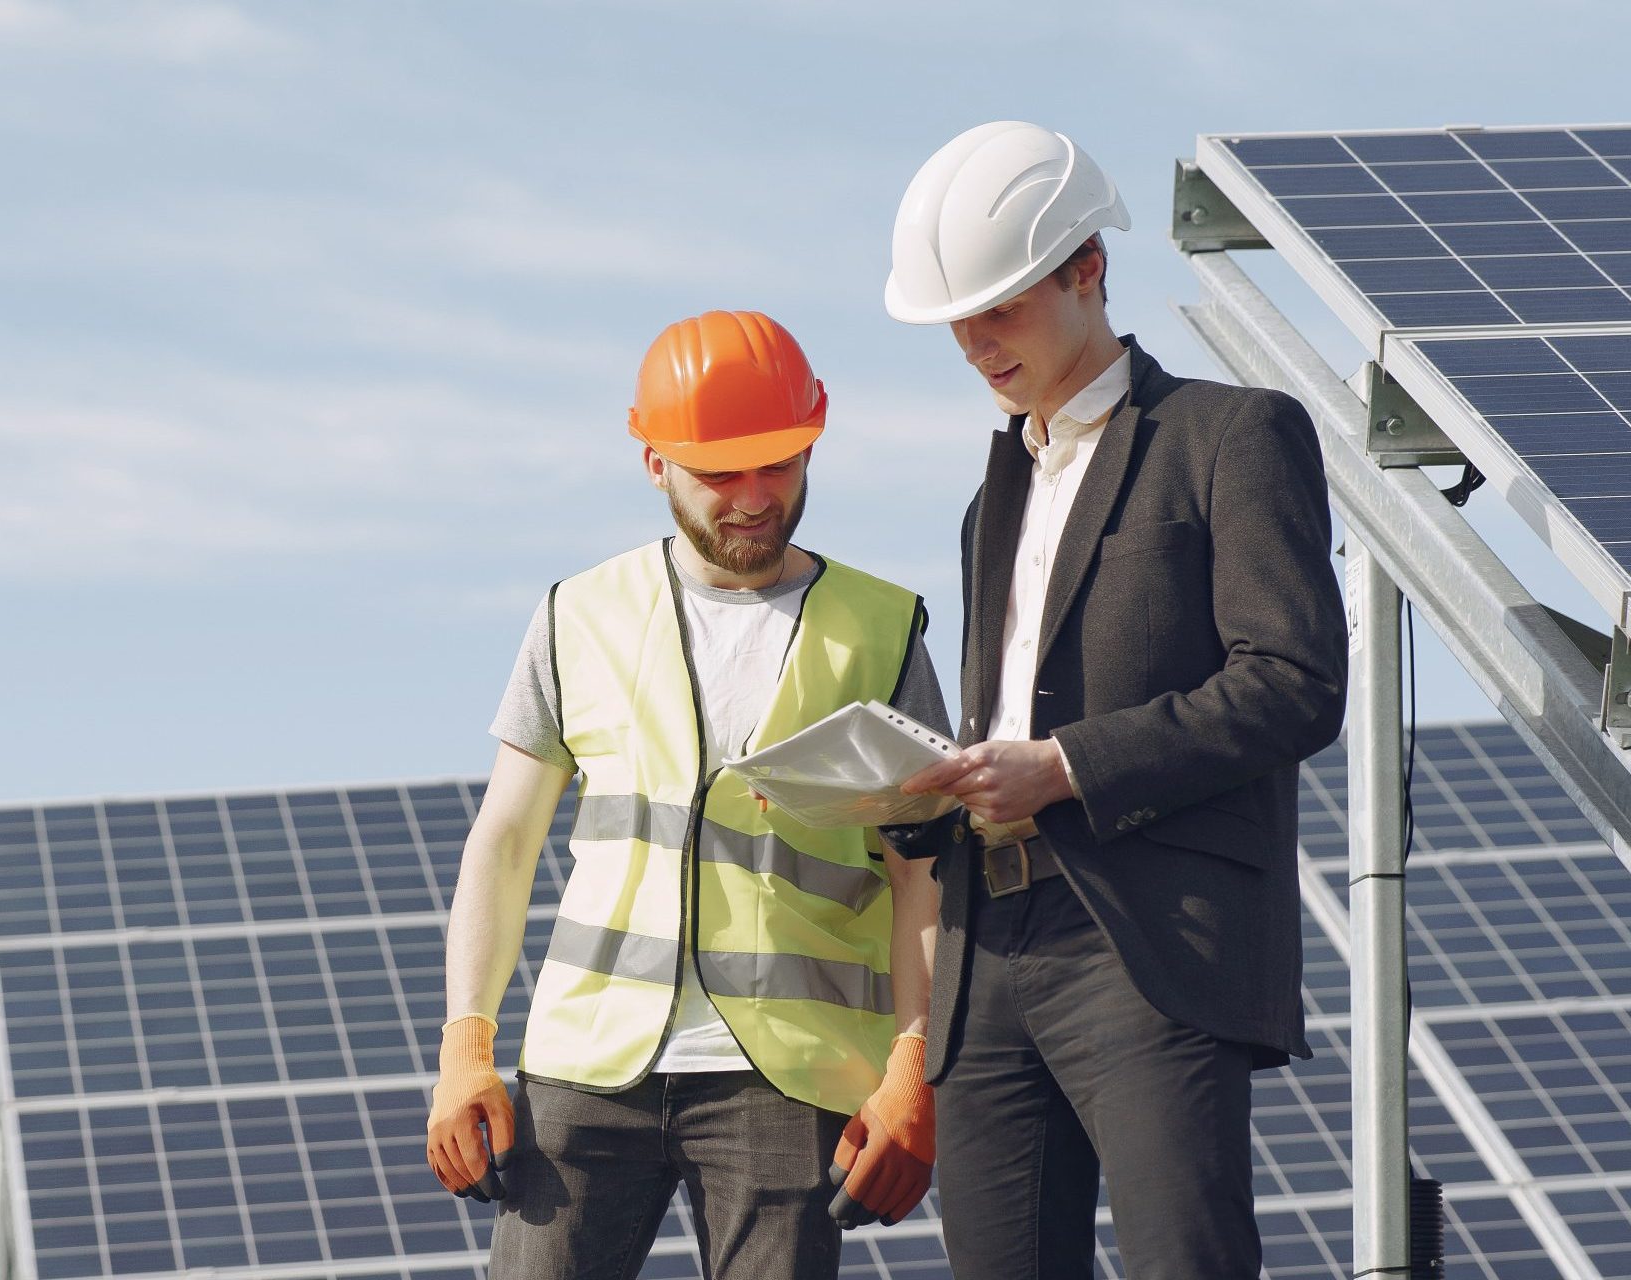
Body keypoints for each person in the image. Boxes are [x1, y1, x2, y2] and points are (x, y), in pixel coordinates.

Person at [880, 121, 1349, 1278]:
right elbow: (1007, 718)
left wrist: (1068, 764)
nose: (973, 342)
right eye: (954, 318)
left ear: (1086, 268)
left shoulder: (1232, 435)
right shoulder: (989, 500)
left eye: (997, 306)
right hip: (987, 950)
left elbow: (1294, 680)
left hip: (1142, 941)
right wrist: (919, 793)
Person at [422, 309, 947, 1280]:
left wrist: (914, 1061)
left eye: (778, 466)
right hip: (586, 1064)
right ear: (654, 460)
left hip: (791, 1073)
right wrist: (465, 1044)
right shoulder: (576, 614)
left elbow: (925, 873)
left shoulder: (881, 628)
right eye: (721, 473)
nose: (752, 498)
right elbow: (502, 840)